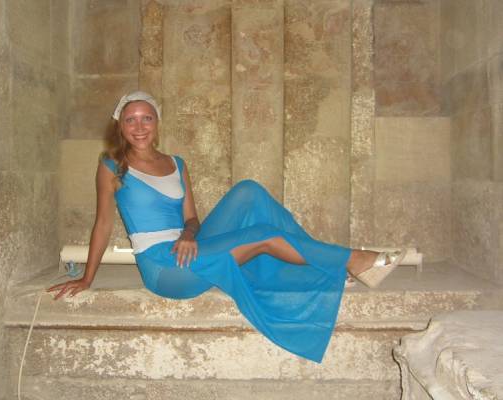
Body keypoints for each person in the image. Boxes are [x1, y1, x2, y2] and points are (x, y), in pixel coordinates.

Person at [48, 91, 405, 363]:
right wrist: (87, 278)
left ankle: (321, 261)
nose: (139, 127)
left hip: (188, 246)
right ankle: (352, 259)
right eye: (131, 120)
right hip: (164, 268)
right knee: (263, 236)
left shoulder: (176, 163)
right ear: (120, 126)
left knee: (249, 191)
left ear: (157, 123)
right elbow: (103, 224)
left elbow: (192, 218)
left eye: (147, 118)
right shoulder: (112, 165)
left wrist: (189, 234)